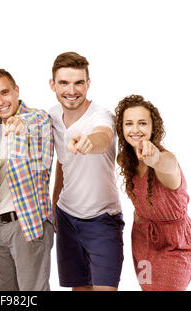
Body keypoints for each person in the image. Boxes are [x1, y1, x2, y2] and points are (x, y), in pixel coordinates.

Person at [49, 52, 124, 291]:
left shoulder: (101, 116)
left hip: (102, 219)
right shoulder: (52, 117)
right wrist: (54, 202)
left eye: (78, 82)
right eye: (64, 83)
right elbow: (63, 162)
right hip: (66, 216)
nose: (71, 90)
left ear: (88, 84)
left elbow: (103, 136)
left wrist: (90, 142)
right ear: (52, 85)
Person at [114, 94, 191, 291]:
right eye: (129, 124)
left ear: (153, 128)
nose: (135, 129)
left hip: (175, 243)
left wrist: (155, 159)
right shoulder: (126, 161)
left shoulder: (165, 159)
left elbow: (168, 164)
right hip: (144, 240)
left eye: (142, 123)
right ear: (122, 129)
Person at [0, 69, 54, 291]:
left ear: (16, 91)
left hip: (27, 225)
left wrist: (20, 125)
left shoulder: (38, 119)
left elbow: (30, 122)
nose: (0, 101)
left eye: (4, 92)